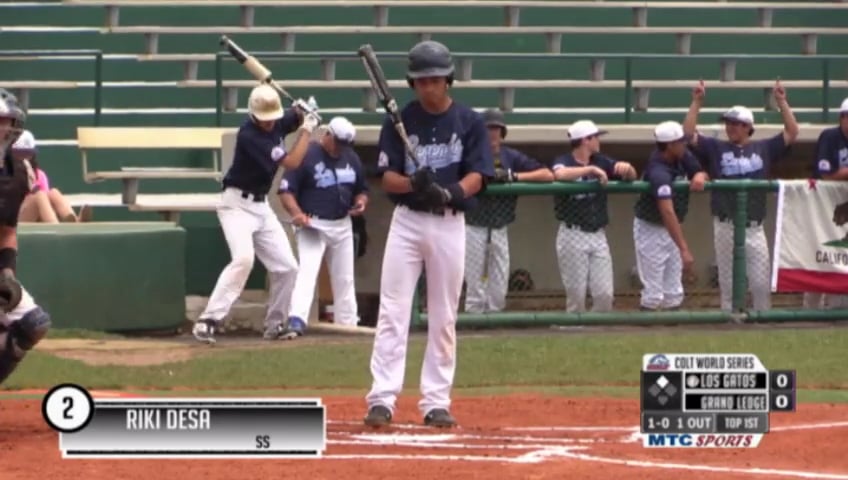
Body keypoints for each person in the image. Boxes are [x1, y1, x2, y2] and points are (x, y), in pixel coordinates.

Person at [363, 40, 494, 429]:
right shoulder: (400, 120)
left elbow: (478, 175)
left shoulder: (469, 121)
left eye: (435, 80)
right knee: (393, 311)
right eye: (421, 81)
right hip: (408, 221)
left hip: (449, 222)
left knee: (444, 315)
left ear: (448, 80)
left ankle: (436, 401)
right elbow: (387, 177)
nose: (428, 87)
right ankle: (382, 398)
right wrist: (413, 183)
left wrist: (450, 192)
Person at [192, 84, 320, 344]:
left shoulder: (274, 121)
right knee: (243, 259)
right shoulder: (250, 136)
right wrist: (308, 129)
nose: (269, 123)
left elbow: (290, 118)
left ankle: (275, 324)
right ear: (253, 115)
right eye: (264, 119)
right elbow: (292, 162)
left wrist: (304, 110)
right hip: (236, 205)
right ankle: (208, 320)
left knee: (287, 268)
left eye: (272, 118)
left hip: (261, 206)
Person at [683, 79, 798, 312]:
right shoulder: (716, 147)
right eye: (728, 123)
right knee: (728, 281)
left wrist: (781, 102)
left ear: (748, 127)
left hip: (754, 225)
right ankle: (730, 320)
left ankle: (762, 319)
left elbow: (792, 132)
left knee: (760, 282)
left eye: (736, 123)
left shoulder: (763, 148)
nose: (730, 127)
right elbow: (688, 134)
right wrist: (696, 102)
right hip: (725, 223)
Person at [278, 116, 369, 337]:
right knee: (307, 272)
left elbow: (362, 188)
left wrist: (361, 201)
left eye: (344, 144)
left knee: (345, 277)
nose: (340, 148)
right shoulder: (308, 154)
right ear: (327, 135)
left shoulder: (351, 157)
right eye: (337, 142)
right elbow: (286, 190)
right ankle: (296, 319)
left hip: (342, 223)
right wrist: (297, 213)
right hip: (313, 223)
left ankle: (348, 324)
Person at [463, 108, 551, 314]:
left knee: (499, 278)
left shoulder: (510, 156)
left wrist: (513, 176)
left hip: (500, 226)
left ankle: (495, 317)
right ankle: (473, 317)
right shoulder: (470, 154)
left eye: (496, 129)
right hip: (474, 225)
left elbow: (547, 174)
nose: (493, 133)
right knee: (475, 278)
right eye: (489, 129)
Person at [552, 120, 636, 312]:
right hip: (572, 233)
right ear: (585, 140)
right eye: (595, 137)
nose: (599, 140)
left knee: (605, 294)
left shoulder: (601, 160)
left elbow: (631, 176)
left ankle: (594, 327)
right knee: (577, 294)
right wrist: (590, 170)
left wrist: (627, 168)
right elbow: (559, 175)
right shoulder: (564, 160)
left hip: (598, 233)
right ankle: (573, 327)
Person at [0, 89, 52, 385]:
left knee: (33, 323)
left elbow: (6, 231)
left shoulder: (17, 171)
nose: (0, 128)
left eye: (4, 121)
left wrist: (7, 274)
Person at [633, 121, 708, 311]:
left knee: (674, 291)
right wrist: (684, 249)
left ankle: (672, 325)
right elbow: (667, 211)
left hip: (672, 227)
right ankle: (646, 324)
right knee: (653, 293)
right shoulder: (658, 170)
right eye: (680, 142)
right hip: (651, 228)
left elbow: (698, 171)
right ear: (669, 145)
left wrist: (700, 175)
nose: (684, 145)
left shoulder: (681, 155)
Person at [804, 97, 848, 309]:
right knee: (820, 258)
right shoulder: (830, 137)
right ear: (842, 118)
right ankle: (810, 312)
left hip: (844, 209)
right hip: (823, 208)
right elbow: (826, 174)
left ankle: (838, 311)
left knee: (843, 260)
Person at [12, 130, 91, 223]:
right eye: (19, 154)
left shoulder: (40, 175)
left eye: (27, 154)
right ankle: (56, 229)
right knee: (39, 195)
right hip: (15, 220)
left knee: (53, 193)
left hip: (39, 218)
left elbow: (45, 202)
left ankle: (75, 223)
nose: (23, 158)